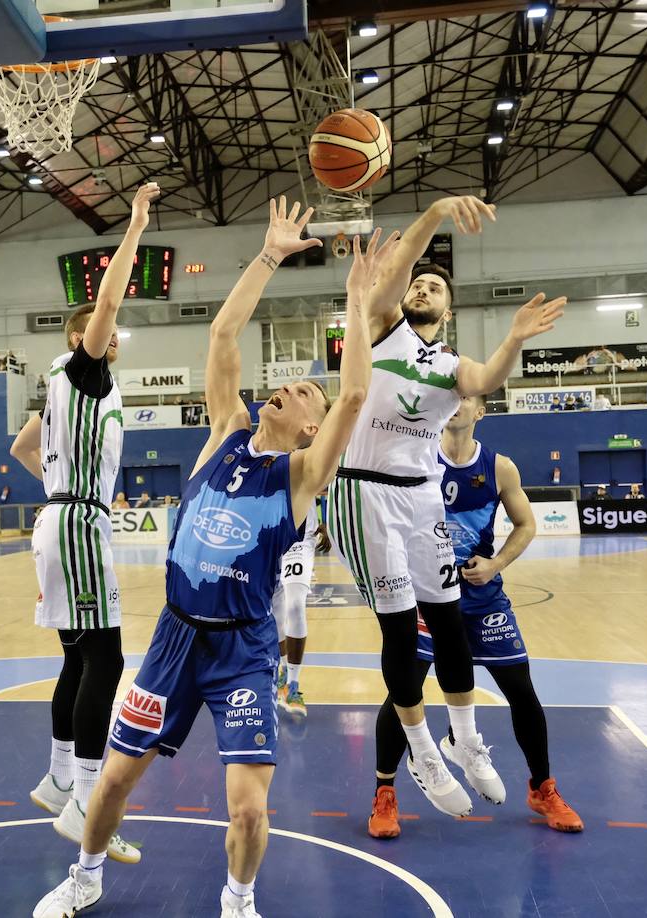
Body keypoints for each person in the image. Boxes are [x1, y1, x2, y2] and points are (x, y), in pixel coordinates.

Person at [34, 202, 383, 918]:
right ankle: (85, 876)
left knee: (249, 811)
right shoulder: (225, 432)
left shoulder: (299, 477)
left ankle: (238, 899)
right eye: (290, 382)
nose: (290, 385)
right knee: (114, 782)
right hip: (174, 638)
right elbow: (224, 333)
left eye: (304, 392)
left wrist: (354, 299)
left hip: (243, 651)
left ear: (310, 428)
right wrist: (268, 255)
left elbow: (353, 393)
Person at [326, 195, 565, 819]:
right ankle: (423, 752)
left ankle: (464, 739)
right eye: (419, 283)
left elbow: (485, 382)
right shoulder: (383, 326)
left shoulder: (452, 365)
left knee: (448, 620)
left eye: (436, 287)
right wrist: (433, 214)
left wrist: (514, 338)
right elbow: (396, 270)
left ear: (450, 310)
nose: (423, 288)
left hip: (420, 493)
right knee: (401, 631)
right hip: (365, 488)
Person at [10, 183, 159, 865]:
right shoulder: (83, 370)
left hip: (61, 517)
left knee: (77, 655)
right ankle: (87, 803)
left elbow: (22, 446)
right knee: (108, 658)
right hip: (75, 524)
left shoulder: (63, 389)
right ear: (82, 337)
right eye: (102, 330)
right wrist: (135, 228)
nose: (113, 334)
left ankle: (58, 777)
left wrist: (57, 485)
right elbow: (108, 302)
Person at [368, 394, 583, 839]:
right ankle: (384, 793)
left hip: (481, 598)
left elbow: (526, 524)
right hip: (427, 596)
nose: (456, 403)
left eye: (465, 397)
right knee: (404, 690)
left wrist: (496, 563)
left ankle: (542, 788)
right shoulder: (415, 458)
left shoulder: (499, 467)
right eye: (450, 396)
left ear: (481, 411)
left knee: (521, 689)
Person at [271, 499, 317, 719]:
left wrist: (330, 522)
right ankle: (282, 672)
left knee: (295, 605)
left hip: (300, 537)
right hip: (268, 533)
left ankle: (293, 684)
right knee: (276, 609)